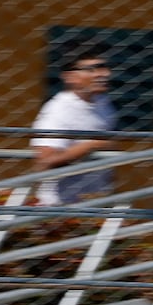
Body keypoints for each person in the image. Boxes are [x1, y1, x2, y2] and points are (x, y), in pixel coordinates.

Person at [31, 43, 117, 205]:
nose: (105, 74)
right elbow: (46, 160)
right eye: (93, 69)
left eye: (104, 67)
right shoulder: (59, 109)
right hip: (60, 206)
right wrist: (92, 145)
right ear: (70, 77)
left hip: (96, 202)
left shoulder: (104, 103)